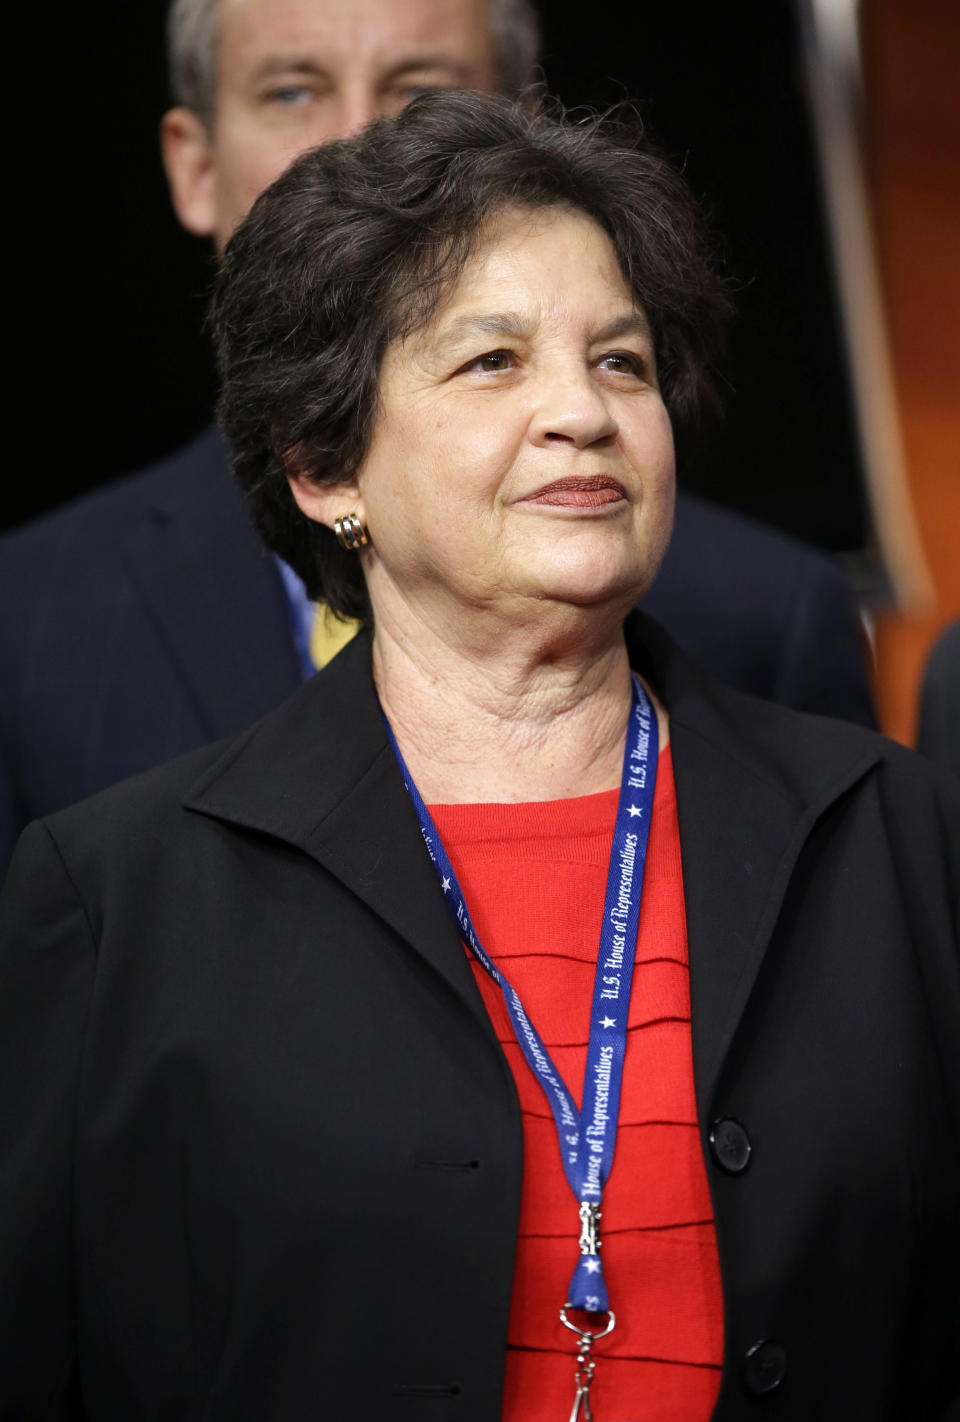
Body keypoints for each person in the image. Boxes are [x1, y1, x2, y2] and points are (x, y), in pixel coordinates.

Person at [1, 95, 956, 1422]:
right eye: (493, 362)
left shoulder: (894, 835)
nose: (582, 410)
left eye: (623, 362)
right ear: (325, 461)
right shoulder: (118, 896)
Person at [0, 0, 876, 888]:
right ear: (193, 165)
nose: (358, 140)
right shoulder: (27, 630)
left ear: (526, 134)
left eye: (422, 90)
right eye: (293, 90)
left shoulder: (776, 622)